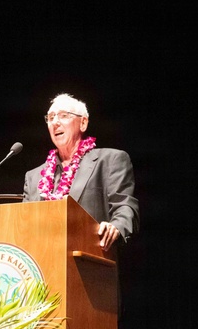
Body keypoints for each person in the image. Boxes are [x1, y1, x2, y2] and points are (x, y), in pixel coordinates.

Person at [22, 92, 139, 252]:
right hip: (42, 267)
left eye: (64, 116)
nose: (55, 122)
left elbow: (125, 206)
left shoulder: (110, 160)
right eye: (50, 117)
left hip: (89, 261)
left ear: (83, 123)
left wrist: (116, 227)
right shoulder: (34, 177)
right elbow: (24, 226)